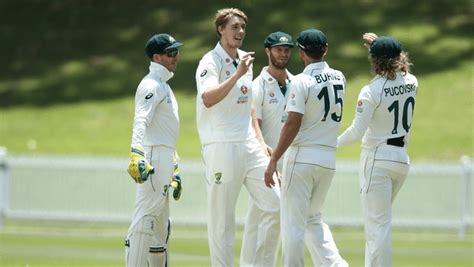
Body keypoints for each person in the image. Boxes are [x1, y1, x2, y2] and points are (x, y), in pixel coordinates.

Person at [195, 8, 280, 266]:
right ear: (221, 29)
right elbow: (208, 99)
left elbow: (250, 106)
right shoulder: (209, 61)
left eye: (243, 27)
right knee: (222, 221)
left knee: (277, 205)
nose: (240, 32)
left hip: (249, 144)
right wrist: (237, 75)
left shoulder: (245, 59)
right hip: (221, 145)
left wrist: (260, 140)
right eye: (234, 27)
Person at [264, 28, 348, 267]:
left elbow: (292, 123)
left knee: (293, 223)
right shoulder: (340, 76)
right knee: (314, 218)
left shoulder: (301, 81)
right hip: (328, 159)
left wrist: (273, 160)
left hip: (303, 158)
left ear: (301, 52)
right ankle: (336, 265)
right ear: (326, 50)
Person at [337, 33, 418, 267]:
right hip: (401, 159)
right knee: (378, 225)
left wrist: (329, 143)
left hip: (378, 160)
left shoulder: (371, 91)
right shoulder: (412, 82)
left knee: (376, 228)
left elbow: (356, 132)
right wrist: (381, 45)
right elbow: (396, 64)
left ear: (374, 61)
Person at [125, 33, 184, 267]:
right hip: (152, 158)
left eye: (176, 52)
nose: (175, 57)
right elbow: (141, 121)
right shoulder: (151, 84)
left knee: (160, 229)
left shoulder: (164, 86)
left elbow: (166, 132)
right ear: (156, 57)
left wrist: (175, 167)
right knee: (145, 221)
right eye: (171, 53)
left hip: (164, 158)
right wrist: (136, 154)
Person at [240, 31, 294, 265]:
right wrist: (266, 161)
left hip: (290, 165)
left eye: (287, 49)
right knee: (262, 219)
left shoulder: (297, 82)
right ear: (268, 51)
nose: (283, 54)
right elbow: (254, 127)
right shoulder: (257, 85)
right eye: (278, 49)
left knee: (271, 221)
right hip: (265, 165)